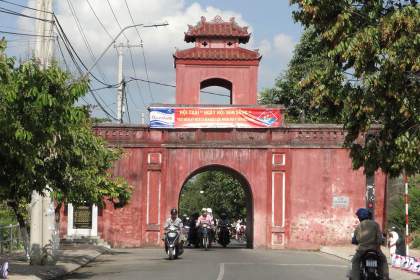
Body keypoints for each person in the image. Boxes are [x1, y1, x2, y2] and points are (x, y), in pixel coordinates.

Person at [351, 208, 389, 280]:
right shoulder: (375, 224)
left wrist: (355, 241)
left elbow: (354, 239)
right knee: (383, 260)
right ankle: (384, 277)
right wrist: (379, 243)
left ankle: (355, 278)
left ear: (359, 217)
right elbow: (380, 238)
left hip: (362, 250)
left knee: (355, 261)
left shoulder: (359, 226)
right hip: (375, 249)